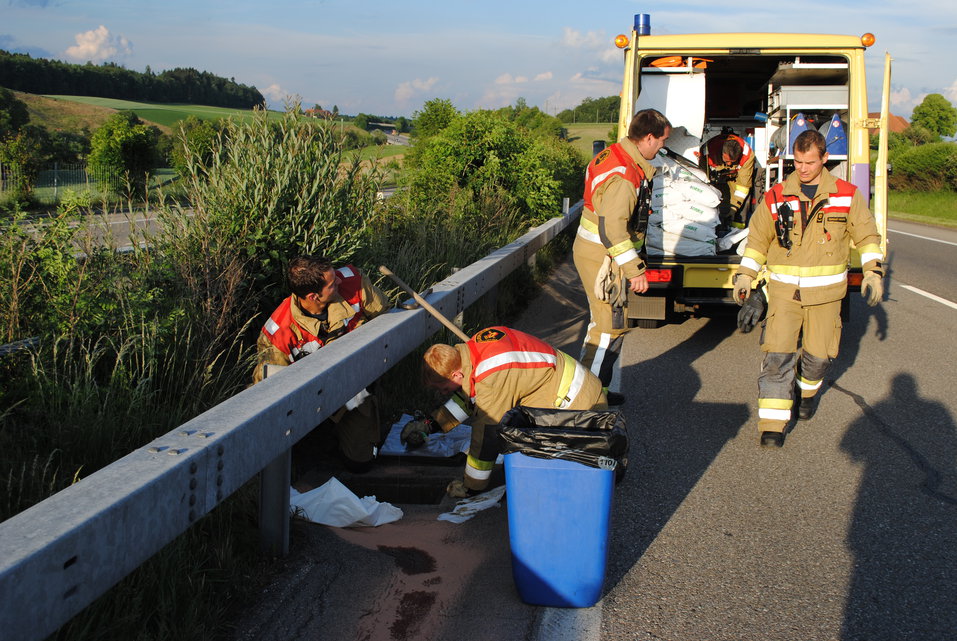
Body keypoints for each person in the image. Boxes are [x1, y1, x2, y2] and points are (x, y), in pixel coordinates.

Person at [732, 129, 884, 447]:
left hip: (827, 297)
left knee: (818, 359)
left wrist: (873, 272)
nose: (802, 169)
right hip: (785, 294)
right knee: (777, 356)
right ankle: (771, 426)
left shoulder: (847, 195)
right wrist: (745, 276)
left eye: (810, 162)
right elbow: (758, 240)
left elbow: (867, 236)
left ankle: (805, 394)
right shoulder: (775, 196)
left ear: (824, 158)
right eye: (798, 162)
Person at [407, 326, 608, 496]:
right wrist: (432, 424)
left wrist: (471, 486)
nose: (442, 393)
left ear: (456, 374)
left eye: (443, 388)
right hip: (576, 386)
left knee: (537, 474)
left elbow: (486, 436)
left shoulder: (490, 377)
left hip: (577, 405)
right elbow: (469, 398)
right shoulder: (474, 349)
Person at [253, 255, 391, 470]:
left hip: (355, 392)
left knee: (360, 463)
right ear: (313, 296)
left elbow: (390, 320)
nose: (338, 282)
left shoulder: (353, 282)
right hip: (309, 403)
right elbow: (266, 392)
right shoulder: (279, 333)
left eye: (335, 275)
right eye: (331, 283)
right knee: (307, 459)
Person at [573, 108, 671, 393]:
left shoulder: (615, 154)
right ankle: (588, 400)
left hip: (599, 252)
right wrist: (635, 270)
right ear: (649, 138)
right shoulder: (626, 176)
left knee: (607, 324)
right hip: (603, 256)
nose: (663, 146)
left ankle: (595, 391)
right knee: (608, 327)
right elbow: (612, 230)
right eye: (662, 141)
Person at [700, 129, 755, 228]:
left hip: (736, 177)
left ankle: (735, 229)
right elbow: (702, 177)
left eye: (732, 161)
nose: (729, 164)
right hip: (714, 176)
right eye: (727, 161)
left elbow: (743, 185)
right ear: (722, 152)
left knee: (741, 203)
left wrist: (734, 206)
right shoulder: (707, 151)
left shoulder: (747, 156)